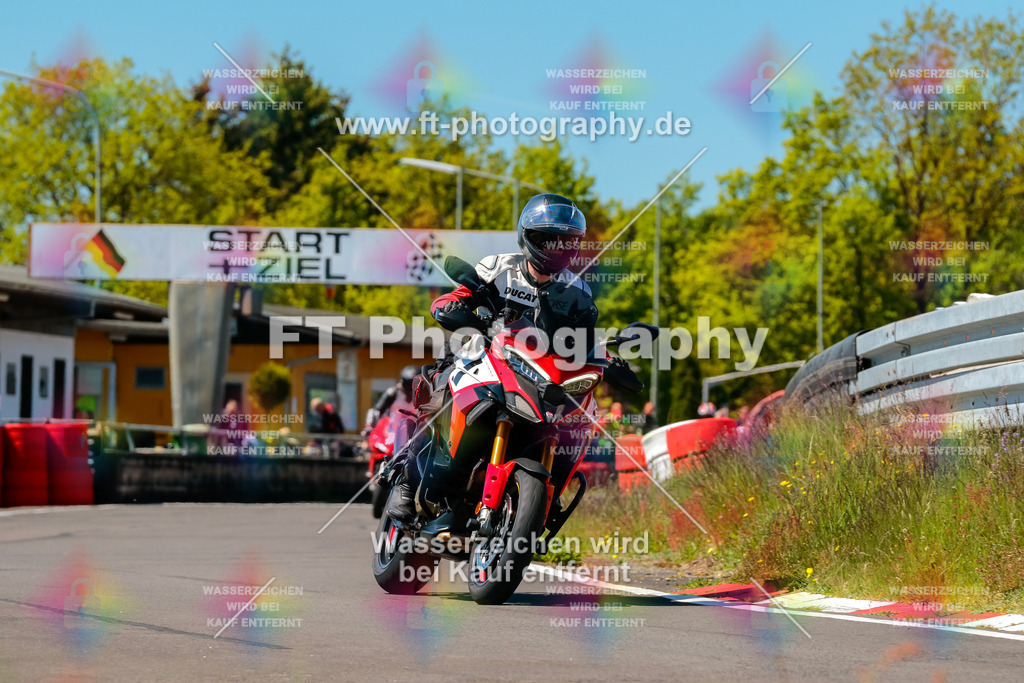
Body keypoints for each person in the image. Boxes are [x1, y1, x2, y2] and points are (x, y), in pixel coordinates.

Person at [386, 193, 596, 521]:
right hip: (481, 349)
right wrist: (452, 308)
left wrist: (605, 358)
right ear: (528, 237)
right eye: (547, 240)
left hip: (537, 370)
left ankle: (547, 496)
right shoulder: (498, 267)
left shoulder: (578, 290)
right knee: (446, 379)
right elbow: (455, 296)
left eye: (565, 242)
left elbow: (584, 338)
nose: (556, 249)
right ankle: (408, 482)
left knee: (582, 414)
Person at [362, 365, 420, 436]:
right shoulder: (393, 392)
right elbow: (375, 411)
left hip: (415, 436)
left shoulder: (422, 397)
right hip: (391, 435)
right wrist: (369, 426)